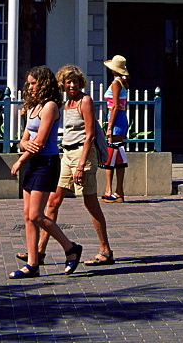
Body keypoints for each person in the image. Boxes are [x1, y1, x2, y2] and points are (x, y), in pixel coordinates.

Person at [32, 65, 114, 266]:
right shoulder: (65, 103)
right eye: (68, 82)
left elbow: (90, 135)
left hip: (82, 154)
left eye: (75, 81)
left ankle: (105, 250)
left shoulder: (84, 101)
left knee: (90, 202)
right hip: (66, 153)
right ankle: (40, 251)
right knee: (53, 200)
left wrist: (81, 164)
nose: (72, 85)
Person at [9, 65, 82, 278]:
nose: (30, 87)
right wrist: (25, 146)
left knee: (37, 215)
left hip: (46, 163)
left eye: (34, 83)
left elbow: (40, 142)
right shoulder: (32, 107)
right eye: (29, 84)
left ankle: (70, 248)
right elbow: (24, 139)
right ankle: (33, 264)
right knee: (27, 216)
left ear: (44, 83)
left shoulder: (50, 106)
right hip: (34, 162)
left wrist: (20, 161)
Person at [100, 54, 129, 203]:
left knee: (110, 154)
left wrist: (110, 125)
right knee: (118, 153)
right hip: (121, 118)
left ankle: (109, 189)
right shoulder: (123, 83)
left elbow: (115, 106)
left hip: (116, 119)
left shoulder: (116, 83)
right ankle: (119, 190)